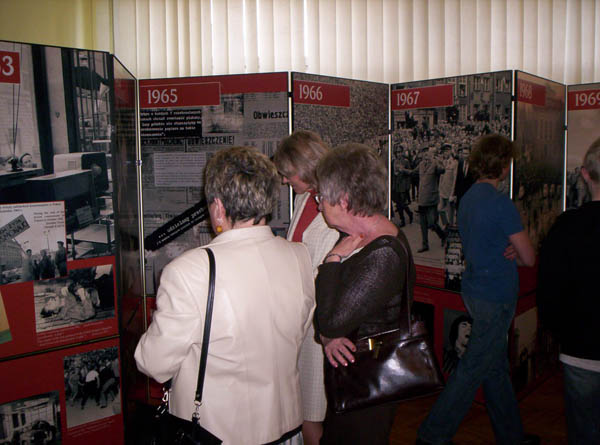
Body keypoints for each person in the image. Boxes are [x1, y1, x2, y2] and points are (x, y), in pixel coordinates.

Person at [135, 146, 315, 444]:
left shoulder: (187, 271)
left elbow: (154, 363)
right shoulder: (300, 257)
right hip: (288, 429)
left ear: (218, 207)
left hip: (215, 433)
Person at [416, 134, 537, 445]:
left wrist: (509, 248)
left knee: (494, 369)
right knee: (472, 369)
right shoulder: (500, 203)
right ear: (504, 165)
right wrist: (514, 250)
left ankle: (511, 436)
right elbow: (529, 257)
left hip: (474, 289)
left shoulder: (469, 198)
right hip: (496, 293)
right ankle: (432, 435)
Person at [313, 143, 416, 445]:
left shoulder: (383, 253)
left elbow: (331, 320)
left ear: (344, 200)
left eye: (322, 198)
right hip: (355, 377)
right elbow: (336, 315)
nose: (318, 205)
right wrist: (328, 336)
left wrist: (331, 261)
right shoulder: (360, 239)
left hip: (370, 382)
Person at [273, 130, 339, 445]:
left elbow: (327, 268)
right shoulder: (303, 199)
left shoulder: (334, 204)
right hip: (299, 320)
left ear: (307, 166)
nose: (284, 181)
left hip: (318, 323)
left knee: (311, 412)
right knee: (301, 408)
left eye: (289, 174)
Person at [537, 137, 600, 445]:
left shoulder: (566, 226)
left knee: (584, 432)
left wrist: (563, 333)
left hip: (580, 351)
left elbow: (549, 292)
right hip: (579, 349)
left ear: (585, 174)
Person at [413, 146, 446, 252]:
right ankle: (425, 245)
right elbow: (412, 172)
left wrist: (440, 162)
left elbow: (442, 170)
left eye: (428, 153)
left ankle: (443, 235)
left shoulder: (435, 164)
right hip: (422, 199)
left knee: (432, 223)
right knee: (423, 224)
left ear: (432, 155)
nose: (426, 155)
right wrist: (402, 170)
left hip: (432, 198)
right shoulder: (421, 164)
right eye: (424, 153)